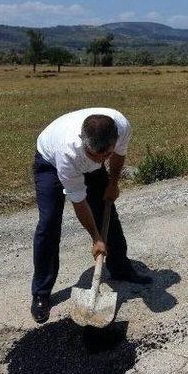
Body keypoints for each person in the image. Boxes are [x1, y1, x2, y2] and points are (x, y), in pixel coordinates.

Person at [31, 107, 151, 324]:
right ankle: (41, 293)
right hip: (48, 161)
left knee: (107, 210)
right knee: (49, 222)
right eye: (95, 156)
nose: (100, 162)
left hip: (88, 154)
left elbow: (118, 156)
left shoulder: (121, 127)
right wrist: (96, 238)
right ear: (83, 143)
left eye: (106, 155)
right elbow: (79, 201)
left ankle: (121, 268)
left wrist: (113, 184)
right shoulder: (68, 153)